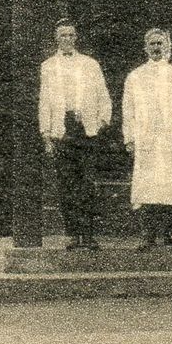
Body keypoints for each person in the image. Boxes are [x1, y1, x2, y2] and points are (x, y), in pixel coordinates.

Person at [121, 27, 172, 251]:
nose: (156, 48)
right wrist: (130, 138)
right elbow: (128, 110)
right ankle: (147, 235)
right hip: (145, 138)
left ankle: (168, 233)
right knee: (146, 185)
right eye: (152, 44)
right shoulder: (135, 77)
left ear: (167, 47)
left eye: (160, 43)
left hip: (169, 139)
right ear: (145, 48)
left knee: (168, 184)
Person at [35, 20, 111, 249]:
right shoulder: (48, 66)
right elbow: (44, 101)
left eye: (71, 35)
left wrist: (101, 122)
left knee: (87, 183)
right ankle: (72, 234)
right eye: (63, 35)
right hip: (62, 128)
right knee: (67, 183)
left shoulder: (90, 64)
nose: (67, 39)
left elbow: (103, 96)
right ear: (56, 39)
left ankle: (87, 235)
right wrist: (46, 134)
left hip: (85, 128)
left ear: (76, 38)